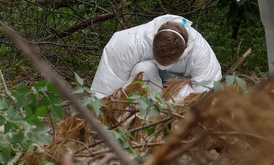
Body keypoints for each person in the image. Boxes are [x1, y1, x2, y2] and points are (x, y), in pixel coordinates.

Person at [90, 15, 222, 101]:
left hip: (178, 90)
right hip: (144, 89)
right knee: (143, 69)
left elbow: (205, 97)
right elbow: (105, 88)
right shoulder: (130, 43)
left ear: (186, 47)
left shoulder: (201, 53)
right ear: (153, 37)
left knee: (193, 98)